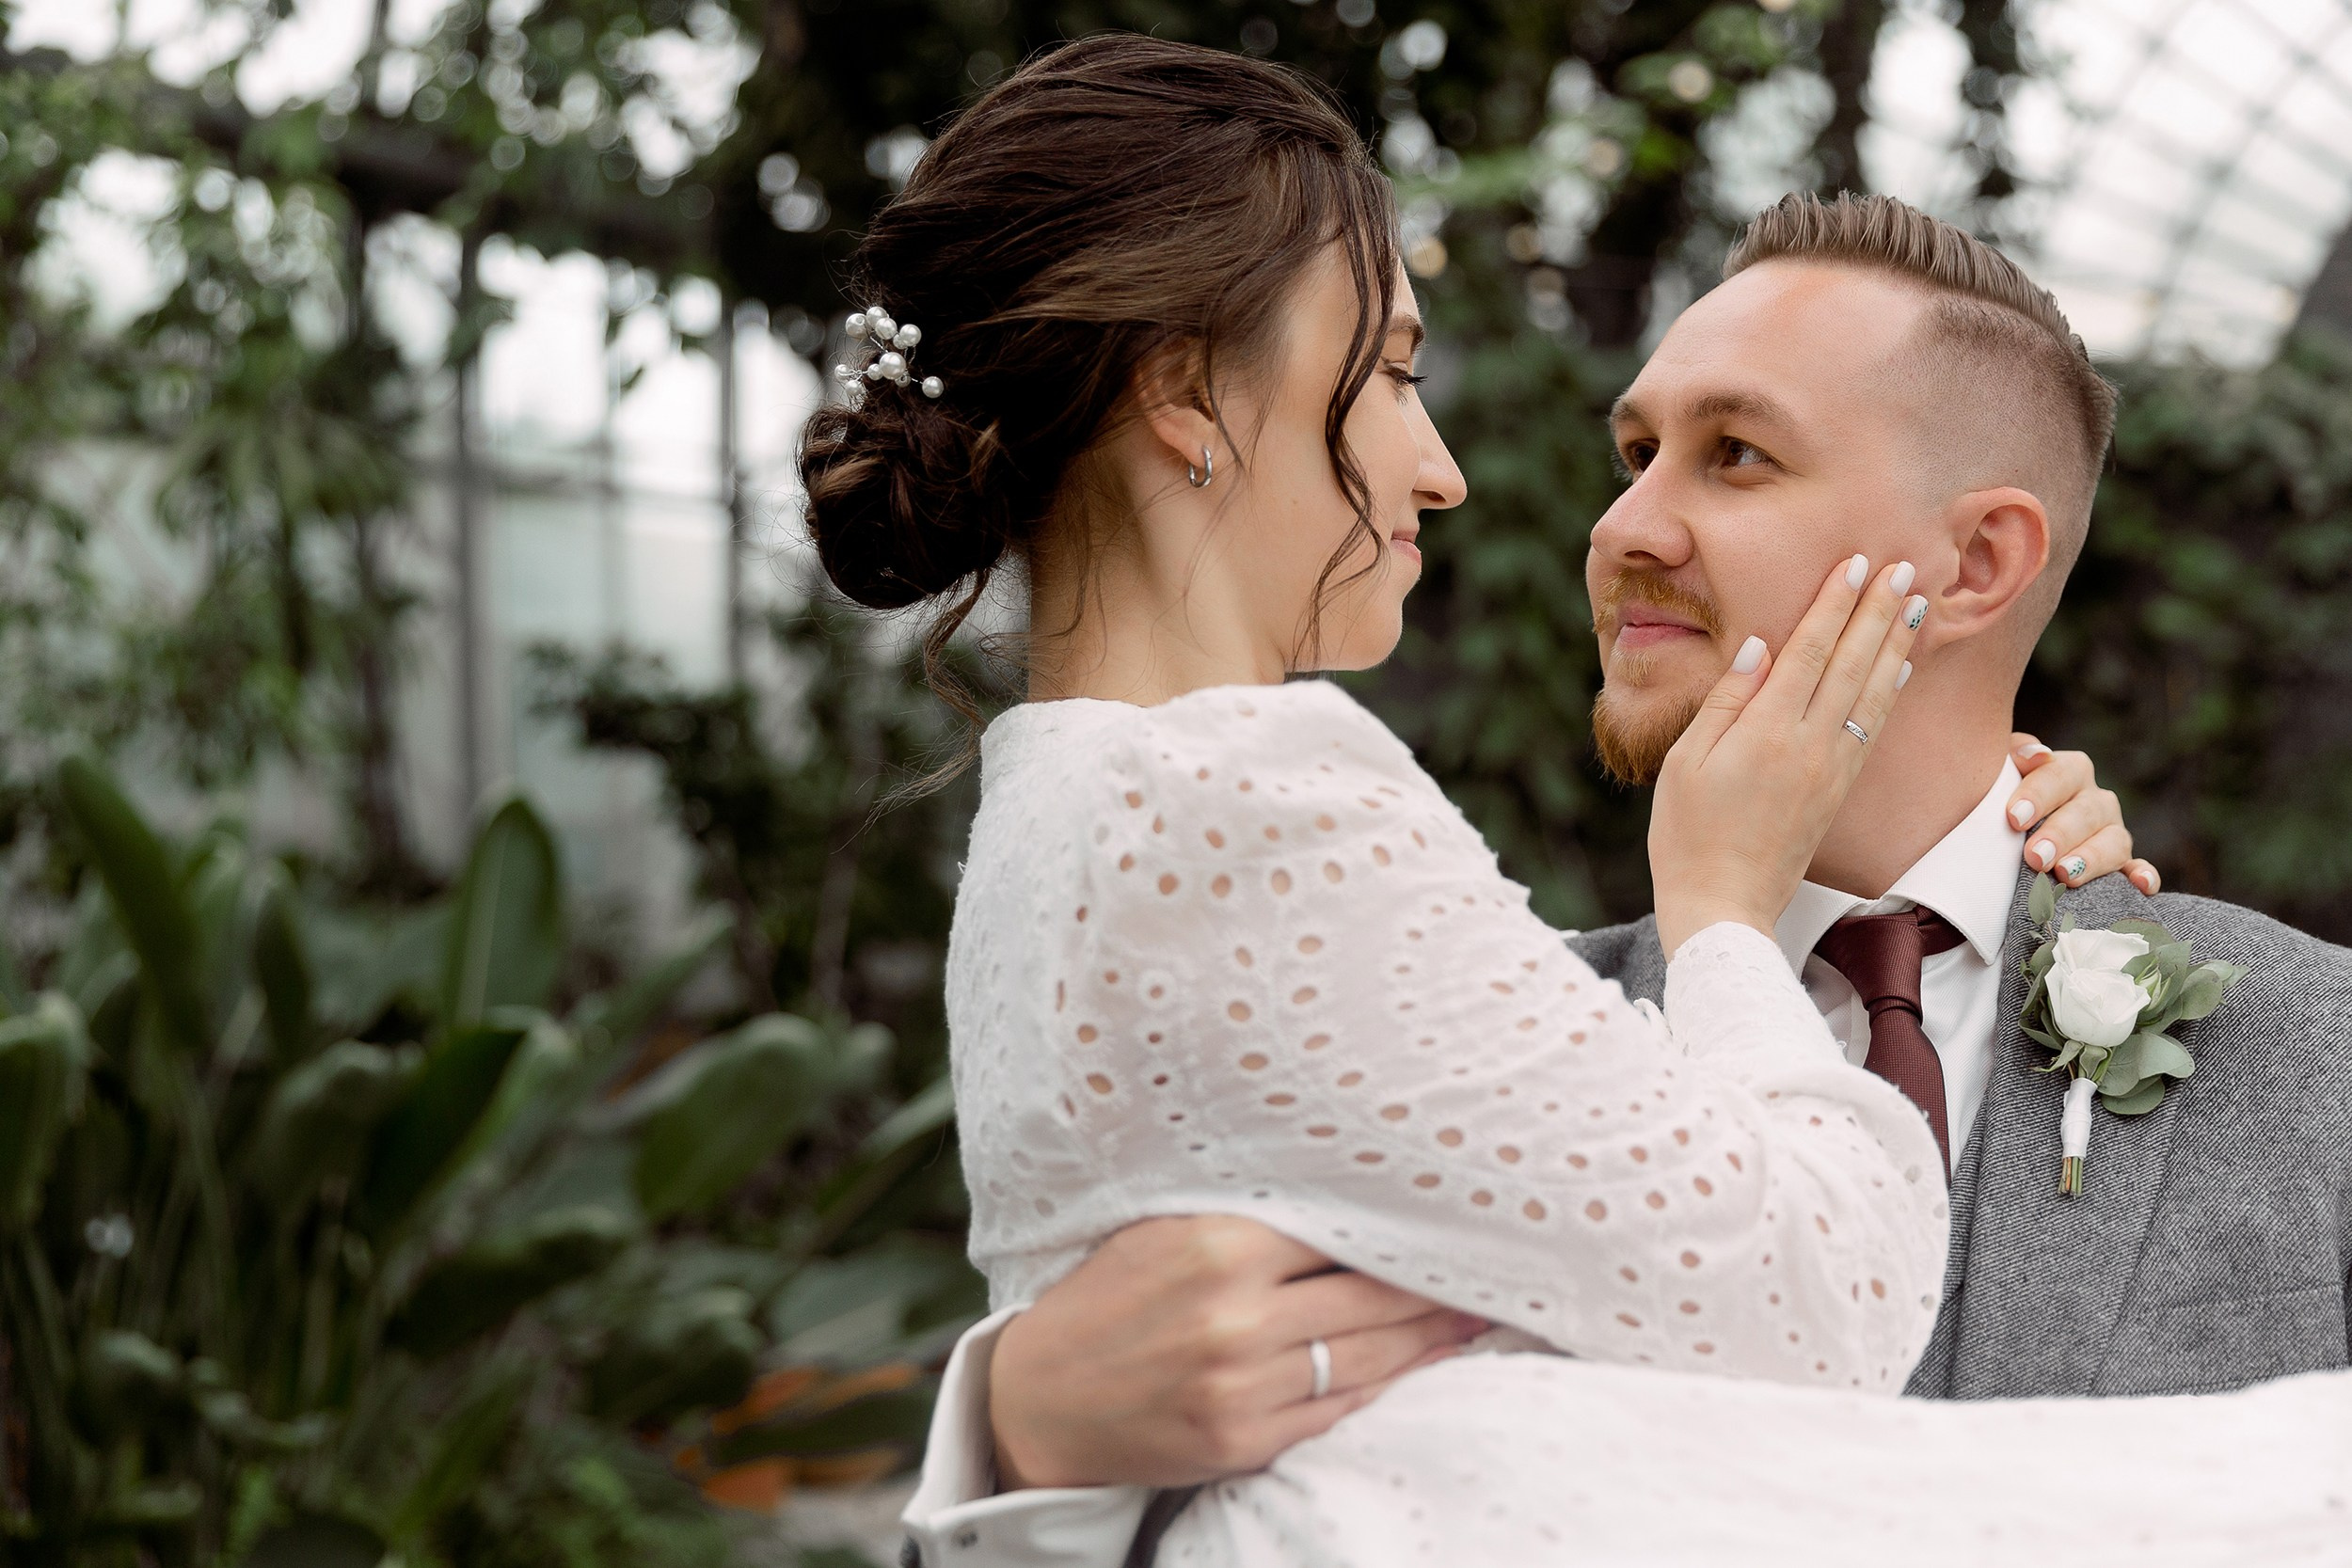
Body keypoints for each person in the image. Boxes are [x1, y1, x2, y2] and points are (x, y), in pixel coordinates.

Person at [794, 34, 2262, 1562]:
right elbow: (1811, 1314)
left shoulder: (2302, 1047)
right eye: (1394, 374)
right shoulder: (1334, 859)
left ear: (1980, 566)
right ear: (1184, 392)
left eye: (1736, 454)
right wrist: (1722, 919)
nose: (1591, 513)